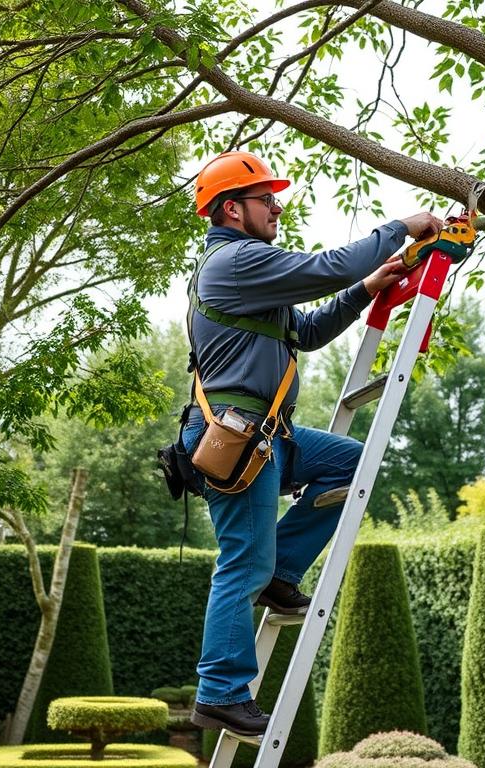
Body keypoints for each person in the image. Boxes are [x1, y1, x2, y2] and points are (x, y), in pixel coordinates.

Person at [181, 151, 442, 736]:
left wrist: (367, 288)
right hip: (238, 437)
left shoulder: (248, 275)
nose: (276, 206)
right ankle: (219, 689)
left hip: (267, 436)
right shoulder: (235, 262)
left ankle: (282, 572)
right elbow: (328, 267)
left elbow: (309, 331)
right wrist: (401, 227)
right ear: (231, 209)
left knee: (354, 465)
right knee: (241, 562)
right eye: (264, 198)